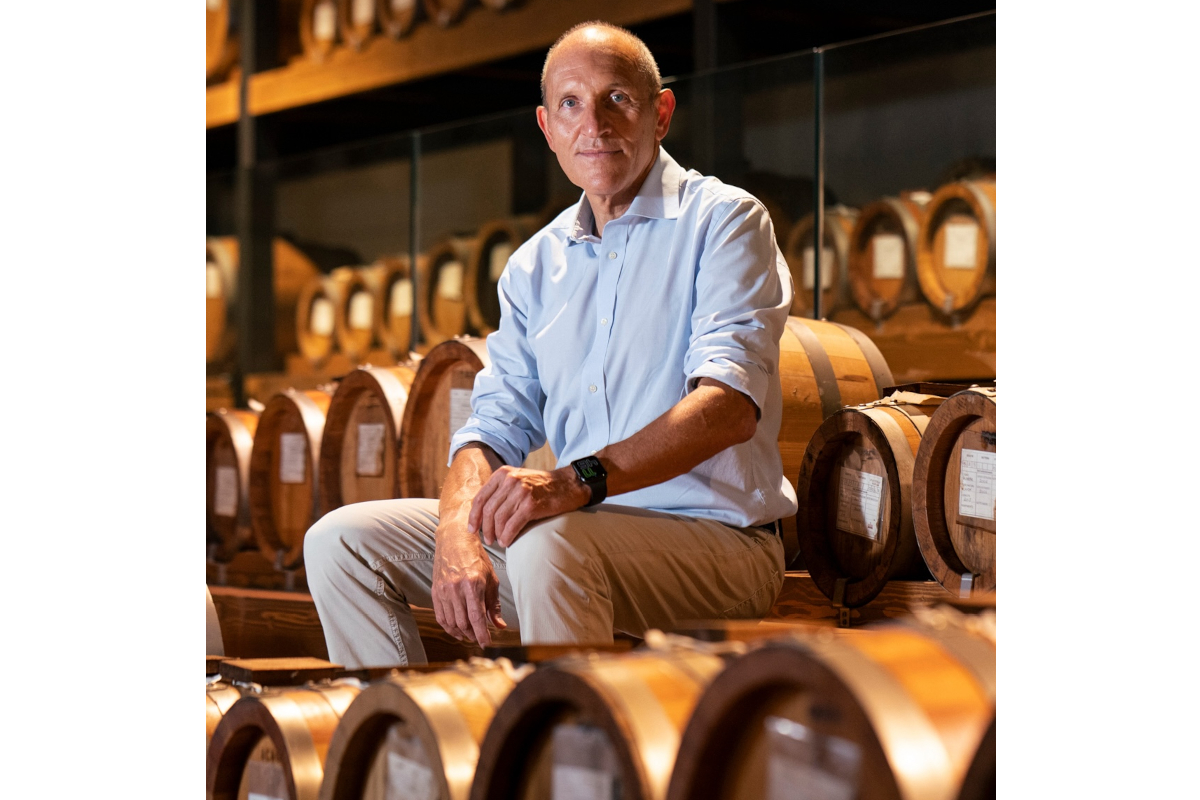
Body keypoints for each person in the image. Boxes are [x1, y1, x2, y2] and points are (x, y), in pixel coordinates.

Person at [304, 21, 798, 669]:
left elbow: (728, 406)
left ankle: (570, 758)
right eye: (570, 103)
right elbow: (491, 427)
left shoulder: (725, 220)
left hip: (717, 544)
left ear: (662, 113)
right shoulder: (535, 265)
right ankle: (408, 747)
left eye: (616, 98)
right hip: (574, 534)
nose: (592, 123)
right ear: (546, 127)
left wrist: (576, 481)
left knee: (550, 543)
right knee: (339, 541)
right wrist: (457, 528)